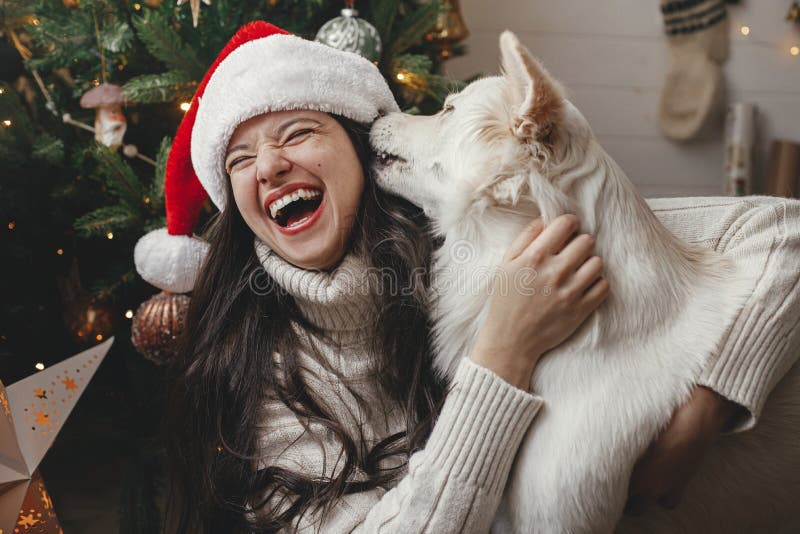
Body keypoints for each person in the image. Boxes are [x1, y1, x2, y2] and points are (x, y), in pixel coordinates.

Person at [132, 21, 800, 533]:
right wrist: (504, 351)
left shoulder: (471, 223)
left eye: (298, 132)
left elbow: (782, 234)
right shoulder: (259, 375)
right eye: (240, 158)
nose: (270, 166)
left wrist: (709, 405)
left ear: (360, 149)